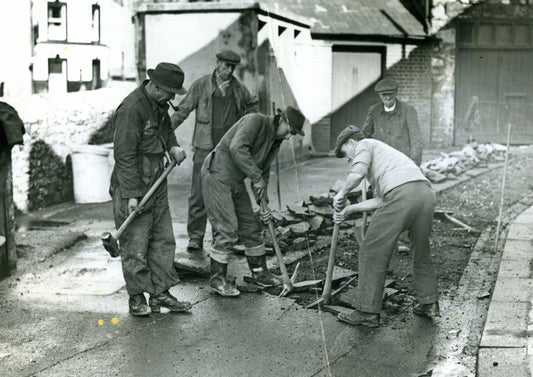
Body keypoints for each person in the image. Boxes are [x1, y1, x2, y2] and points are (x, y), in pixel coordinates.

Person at [332, 125, 439, 328]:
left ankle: (366, 312)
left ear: (351, 143)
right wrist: (350, 209)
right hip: (425, 194)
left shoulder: (363, 144)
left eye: (346, 154)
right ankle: (429, 303)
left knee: (371, 251)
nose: (349, 160)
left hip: (402, 195)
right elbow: (382, 200)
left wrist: (341, 193)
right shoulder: (387, 157)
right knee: (421, 250)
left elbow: (358, 173)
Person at [110, 62, 192, 316]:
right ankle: (136, 297)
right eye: (169, 93)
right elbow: (124, 156)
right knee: (135, 243)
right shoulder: (131, 109)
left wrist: (173, 147)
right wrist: (132, 195)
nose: (171, 98)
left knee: (162, 238)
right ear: (155, 86)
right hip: (132, 182)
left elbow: (166, 130)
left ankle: (160, 293)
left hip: (156, 179)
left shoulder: (159, 105)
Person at [201, 107, 305, 297]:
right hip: (217, 173)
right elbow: (237, 148)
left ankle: (260, 273)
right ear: (281, 120)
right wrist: (256, 177)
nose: (289, 137)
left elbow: (263, 172)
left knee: (251, 225)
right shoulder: (255, 120)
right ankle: (217, 279)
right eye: (289, 131)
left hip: (237, 179)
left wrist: (263, 202)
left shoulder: (276, 140)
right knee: (227, 227)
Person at [171, 50, 258, 254]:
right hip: (204, 147)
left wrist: (246, 126)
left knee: (230, 193)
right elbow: (183, 110)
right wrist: (166, 132)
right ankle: (195, 237)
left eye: (232, 67)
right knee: (198, 194)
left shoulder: (238, 89)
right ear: (217, 63)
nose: (228, 71)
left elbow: (252, 106)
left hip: (228, 151)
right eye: (225, 66)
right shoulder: (201, 85)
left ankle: (228, 237)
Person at [361, 77, 423, 166]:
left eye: (391, 94)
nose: (388, 97)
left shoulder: (408, 110)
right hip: (380, 159)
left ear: (396, 92)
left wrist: (414, 161)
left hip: (402, 159)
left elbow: (416, 138)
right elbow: (365, 134)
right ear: (379, 95)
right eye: (384, 94)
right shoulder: (374, 110)